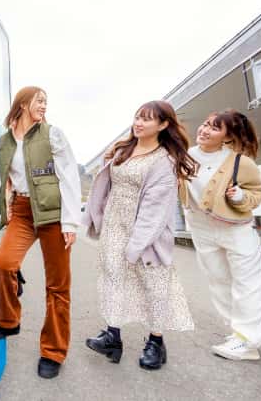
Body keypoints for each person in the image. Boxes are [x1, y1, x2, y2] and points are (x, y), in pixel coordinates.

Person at [83, 100, 196, 370]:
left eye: (146, 119)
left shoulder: (164, 161)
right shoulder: (124, 149)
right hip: (114, 226)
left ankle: (156, 342)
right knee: (113, 278)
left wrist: (135, 245)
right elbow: (107, 181)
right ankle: (113, 335)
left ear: (164, 125)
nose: (138, 123)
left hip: (146, 233)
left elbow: (154, 211)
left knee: (153, 285)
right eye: (137, 117)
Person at [0, 86, 82, 380]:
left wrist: (70, 222)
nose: (44, 106)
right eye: (40, 100)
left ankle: (53, 351)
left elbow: (69, 176)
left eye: (46, 102)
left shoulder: (53, 135)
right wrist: (7, 207)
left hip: (54, 214)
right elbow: (4, 179)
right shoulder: (4, 142)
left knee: (57, 286)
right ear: (23, 103)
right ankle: (9, 320)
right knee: (3, 267)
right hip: (24, 211)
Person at [179, 109, 261, 360]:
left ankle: (248, 341)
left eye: (215, 128)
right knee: (218, 281)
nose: (205, 130)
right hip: (201, 229)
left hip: (236, 229)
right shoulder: (184, 157)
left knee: (247, 284)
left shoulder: (241, 162)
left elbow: (257, 194)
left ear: (228, 136)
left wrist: (240, 196)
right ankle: (238, 333)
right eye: (206, 124)